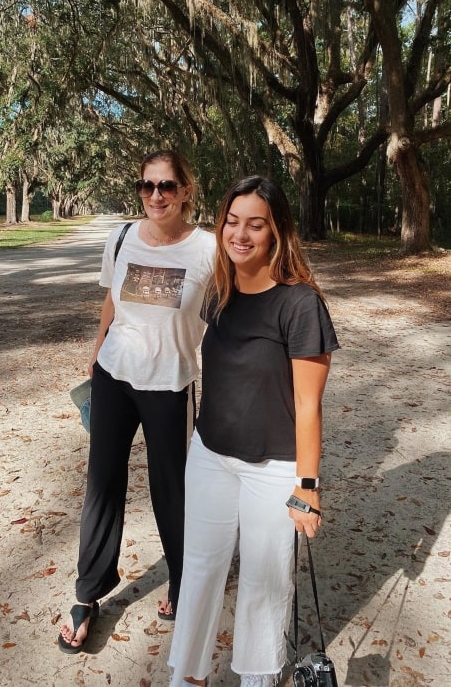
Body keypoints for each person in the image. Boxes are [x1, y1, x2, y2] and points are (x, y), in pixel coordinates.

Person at [167, 176, 340, 687]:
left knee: (265, 584)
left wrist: (306, 488)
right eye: (232, 221)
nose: (240, 234)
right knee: (199, 569)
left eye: (255, 224)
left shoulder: (300, 303)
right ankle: (188, 675)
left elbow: (309, 404)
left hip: (274, 467)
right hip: (210, 455)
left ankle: (258, 677)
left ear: (277, 232)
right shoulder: (217, 292)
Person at [58, 150, 216, 653]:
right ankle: (89, 592)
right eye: (147, 186)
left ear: (187, 190)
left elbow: (238, 305)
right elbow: (111, 298)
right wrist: (96, 350)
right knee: (102, 482)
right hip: (114, 375)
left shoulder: (208, 249)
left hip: (170, 383)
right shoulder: (121, 237)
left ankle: (184, 579)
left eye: (167, 186)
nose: (156, 196)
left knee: (172, 487)